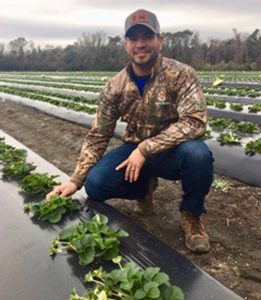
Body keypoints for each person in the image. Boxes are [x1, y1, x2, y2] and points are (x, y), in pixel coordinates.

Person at [47, 9, 214, 253]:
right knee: (95, 185)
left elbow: (195, 121)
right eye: (133, 38)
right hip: (134, 151)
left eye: (147, 36)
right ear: (125, 44)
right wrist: (75, 180)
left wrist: (146, 149)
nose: (140, 44)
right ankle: (143, 188)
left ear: (160, 40)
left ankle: (191, 215)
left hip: (173, 152)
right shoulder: (115, 86)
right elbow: (98, 135)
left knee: (198, 155)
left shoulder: (181, 74)